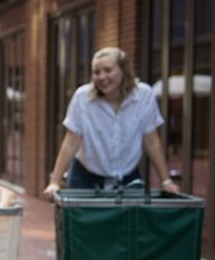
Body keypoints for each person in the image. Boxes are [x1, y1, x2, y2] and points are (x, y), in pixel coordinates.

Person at [43, 46, 180, 198]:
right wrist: (54, 182)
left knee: (129, 222)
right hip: (85, 178)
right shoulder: (82, 97)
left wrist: (166, 181)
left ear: (124, 70)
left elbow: (152, 141)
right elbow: (70, 142)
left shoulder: (144, 96)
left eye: (108, 70)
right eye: (96, 72)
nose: (101, 77)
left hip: (128, 177)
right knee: (85, 222)